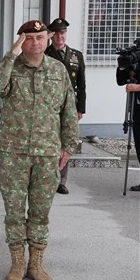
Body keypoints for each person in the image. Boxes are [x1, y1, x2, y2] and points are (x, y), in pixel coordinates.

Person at [0, 20, 78, 280]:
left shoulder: (58, 70)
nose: (35, 43)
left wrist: (68, 146)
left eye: (40, 37)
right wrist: (11, 54)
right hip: (14, 153)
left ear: (47, 39)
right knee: (14, 211)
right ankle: (17, 264)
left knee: (40, 212)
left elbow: (68, 110)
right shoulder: (10, 68)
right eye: (29, 38)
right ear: (21, 41)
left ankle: (36, 264)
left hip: (47, 152)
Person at [45, 18, 86, 195]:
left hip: (70, 106)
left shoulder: (76, 55)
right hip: (50, 105)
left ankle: (61, 180)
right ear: (51, 35)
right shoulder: (45, 54)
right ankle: (48, 177)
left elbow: (82, 84)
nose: (60, 37)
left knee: (67, 140)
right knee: (49, 140)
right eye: (56, 33)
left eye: (63, 33)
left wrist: (81, 108)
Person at [116, 64, 140, 191]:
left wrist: (137, 87)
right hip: (137, 111)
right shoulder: (135, 60)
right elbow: (121, 81)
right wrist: (123, 65)